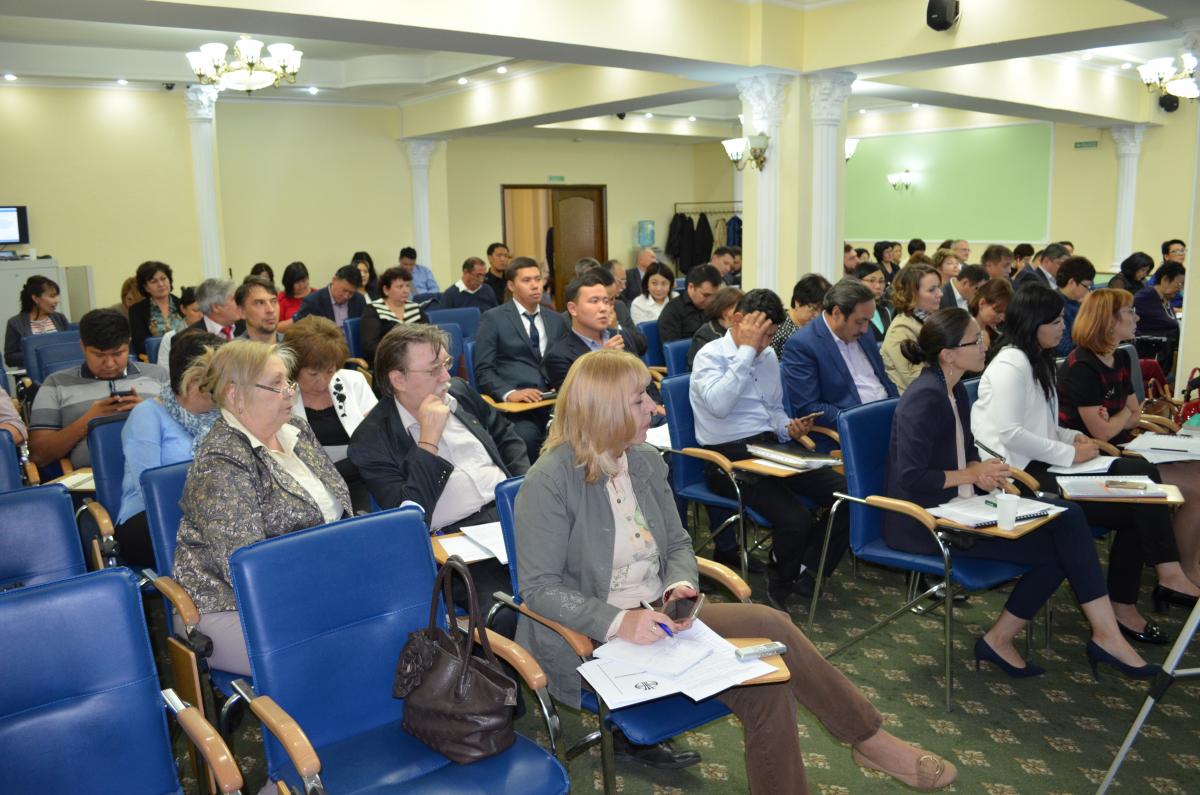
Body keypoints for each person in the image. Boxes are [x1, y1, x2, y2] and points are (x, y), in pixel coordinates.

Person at [515, 348, 957, 792]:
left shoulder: (644, 460)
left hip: (658, 616)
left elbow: (677, 544)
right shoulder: (550, 480)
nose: (655, 407)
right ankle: (868, 742)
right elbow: (540, 588)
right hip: (592, 633)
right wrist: (620, 621)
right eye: (639, 400)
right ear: (604, 409)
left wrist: (679, 585)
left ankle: (868, 739)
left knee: (771, 629)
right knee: (768, 687)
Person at [888, 308, 1156, 678]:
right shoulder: (924, 398)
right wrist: (970, 473)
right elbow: (911, 478)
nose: (985, 345)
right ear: (948, 354)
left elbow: (965, 450)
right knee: (1063, 542)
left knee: (1067, 522)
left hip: (961, 506)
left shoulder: (954, 390)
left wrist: (983, 471)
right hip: (925, 524)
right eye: (975, 341)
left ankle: (1075, 635)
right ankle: (1097, 636)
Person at [973, 284, 1197, 646]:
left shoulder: (1037, 358)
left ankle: (1137, 594)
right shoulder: (1010, 365)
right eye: (1055, 321)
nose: (1063, 327)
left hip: (1045, 462)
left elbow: (1043, 425)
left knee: (1141, 481)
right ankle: (1161, 577)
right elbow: (1011, 434)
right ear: (1033, 324)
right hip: (1021, 475)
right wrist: (1069, 454)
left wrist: (1073, 438)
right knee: (1138, 497)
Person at [173, 340, 351, 675]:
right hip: (232, 605)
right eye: (276, 384)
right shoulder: (221, 460)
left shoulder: (296, 430)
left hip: (317, 584)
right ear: (235, 394)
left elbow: (338, 512)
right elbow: (245, 564)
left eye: (288, 381)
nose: (290, 392)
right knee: (342, 650)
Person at [348, 323, 527, 633]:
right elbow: (409, 520)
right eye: (433, 370)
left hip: (512, 514)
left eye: (445, 363)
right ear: (398, 379)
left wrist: (522, 489)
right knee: (509, 613)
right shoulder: (371, 440)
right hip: (456, 545)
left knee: (585, 575)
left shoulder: (459, 392)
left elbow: (506, 436)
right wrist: (428, 442)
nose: (446, 377)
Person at [692, 289, 851, 607]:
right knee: (796, 518)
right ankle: (781, 583)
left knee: (847, 496)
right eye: (762, 335)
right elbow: (719, 406)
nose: (766, 344)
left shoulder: (767, 356)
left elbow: (773, 410)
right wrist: (746, 352)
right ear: (738, 320)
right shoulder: (710, 356)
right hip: (726, 458)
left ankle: (807, 570)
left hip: (769, 448)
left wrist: (788, 427)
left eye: (771, 336)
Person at [1059, 288, 1200, 592]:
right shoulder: (1082, 366)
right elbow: (1103, 433)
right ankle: (1184, 571)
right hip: (1098, 458)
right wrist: (1123, 415)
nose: (1137, 318)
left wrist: (1119, 416)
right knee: (1197, 488)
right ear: (1109, 322)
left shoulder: (1120, 356)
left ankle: (1189, 567)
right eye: (1130, 312)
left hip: (1128, 448)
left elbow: (1136, 413)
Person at [116, 329, 224, 568]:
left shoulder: (226, 414)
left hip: (212, 512)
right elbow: (149, 487)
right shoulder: (147, 414)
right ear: (193, 380)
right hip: (150, 516)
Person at [28, 309, 168, 469]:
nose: (109, 364)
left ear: (129, 344)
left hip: (157, 469)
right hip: (90, 475)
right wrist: (88, 421)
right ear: (83, 347)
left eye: (118, 354)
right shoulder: (55, 384)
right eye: (99, 355)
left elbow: (187, 431)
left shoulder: (158, 375)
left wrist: (150, 413)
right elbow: (39, 455)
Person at [474, 257, 568, 459]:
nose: (535, 285)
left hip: (554, 402)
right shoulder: (493, 319)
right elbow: (483, 370)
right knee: (527, 437)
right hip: (519, 408)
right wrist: (509, 393)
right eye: (526, 280)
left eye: (537, 279)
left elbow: (565, 359)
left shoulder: (556, 319)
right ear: (511, 286)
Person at [284, 316, 377, 513]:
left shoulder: (354, 381)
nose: (323, 381)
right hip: (309, 486)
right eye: (313, 374)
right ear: (294, 367)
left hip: (360, 480)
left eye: (330, 371)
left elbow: (377, 442)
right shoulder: (282, 394)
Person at [782, 278, 898, 432]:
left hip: (888, 419)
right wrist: (859, 419)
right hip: (850, 429)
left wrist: (899, 407)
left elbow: (883, 378)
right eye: (860, 322)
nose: (865, 329)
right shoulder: (803, 345)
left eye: (868, 321)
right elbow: (808, 407)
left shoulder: (864, 332)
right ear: (837, 313)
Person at [545, 271, 643, 390]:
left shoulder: (621, 337)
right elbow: (578, 397)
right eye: (594, 301)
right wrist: (602, 361)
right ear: (573, 309)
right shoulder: (559, 356)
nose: (603, 308)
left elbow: (644, 381)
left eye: (606, 301)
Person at [881, 262, 942, 393]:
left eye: (939, 288)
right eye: (932, 290)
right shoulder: (900, 330)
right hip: (916, 399)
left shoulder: (930, 320)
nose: (940, 294)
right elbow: (915, 380)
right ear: (911, 294)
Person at [160, 278, 243, 367]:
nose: (240, 303)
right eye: (234, 299)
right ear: (216, 307)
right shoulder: (185, 341)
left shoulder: (245, 327)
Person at [360, 266, 426, 362]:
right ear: (386, 290)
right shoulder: (374, 309)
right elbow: (370, 346)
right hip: (386, 360)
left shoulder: (415, 308)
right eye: (400, 286)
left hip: (417, 358)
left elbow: (428, 335)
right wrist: (399, 356)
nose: (406, 290)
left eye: (407, 286)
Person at [5, 275, 69, 367]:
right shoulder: (15, 323)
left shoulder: (60, 318)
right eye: (52, 296)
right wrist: (40, 355)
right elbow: (10, 359)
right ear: (35, 298)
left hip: (62, 370)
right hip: (32, 374)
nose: (56, 301)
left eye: (56, 296)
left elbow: (69, 346)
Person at [128, 261, 187, 357]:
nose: (160, 284)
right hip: (154, 359)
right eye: (153, 281)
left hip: (186, 355)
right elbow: (140, 344)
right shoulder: (136, 311)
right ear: (146, 287)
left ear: (169, 281)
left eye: (163, 279)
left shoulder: (183, 305)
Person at [657, 264, 722, 343]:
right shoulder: (672, 311)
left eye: (714, 296)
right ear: (691, 287)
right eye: (706, 295)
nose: (710, 301)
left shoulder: (715, 307)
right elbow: (673, 347)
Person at [771, 273, 830, 358]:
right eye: (813, 308)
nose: (817, 315)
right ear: (797, 302)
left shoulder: (820, 328)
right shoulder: (777, 327)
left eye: (822, 310)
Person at [686, 285, 742, 368]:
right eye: (738, 308)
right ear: (724, 310)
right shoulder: (704, 335)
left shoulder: (742, 330)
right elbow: (701, 368)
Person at [294, 264, 367, 327]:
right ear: (334, 280)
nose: (346, 296)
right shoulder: (312, 302)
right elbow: (300, 331)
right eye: (344, 290)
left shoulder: (359, 300)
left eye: (351, 293)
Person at [1054, 256, 1096, 356]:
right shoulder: (1055, 305)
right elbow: (1064, 350)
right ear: (1072, 283)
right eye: (1086, 286)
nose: (1088, 291)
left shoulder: (1075, 302)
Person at [1133, 262, 1184, 342]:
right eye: (1180, 284)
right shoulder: (1145, 297)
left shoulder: (1165, 298)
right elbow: (1166, 322)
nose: (1180, 289)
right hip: (1148, 345)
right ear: (1165, 279)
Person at [968, 277, 1013, 365]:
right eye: (998, 312)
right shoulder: (964, 333)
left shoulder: (997, 334)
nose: (1002, 318)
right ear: (982, 303)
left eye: (1005, 313)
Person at [235, 276, 282, 345]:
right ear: (242, 311)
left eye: (274, 301)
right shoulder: (231, 351)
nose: (271, 309)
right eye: (259, 303)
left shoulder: (294, 345)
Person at [853, 263, 892, 343]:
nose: (878, 286)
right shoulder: (852, 311)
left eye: (881, 281)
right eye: (871, 280)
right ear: (858, 281)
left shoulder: (885, 310)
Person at [629, 261, 675, 325]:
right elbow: (641, 330)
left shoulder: (676, 298)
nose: (659, 288)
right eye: (654, 283)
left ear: (670, 285)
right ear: (647, 284)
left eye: (664, 284)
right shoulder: (638, 304)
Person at [277, 261, 313, 331]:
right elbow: (275, 327)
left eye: (304, 281)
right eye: (297, 282)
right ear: (289, 284)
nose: (301, 285)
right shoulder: (282, 299)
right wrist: (297, 319)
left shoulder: (317, 295)